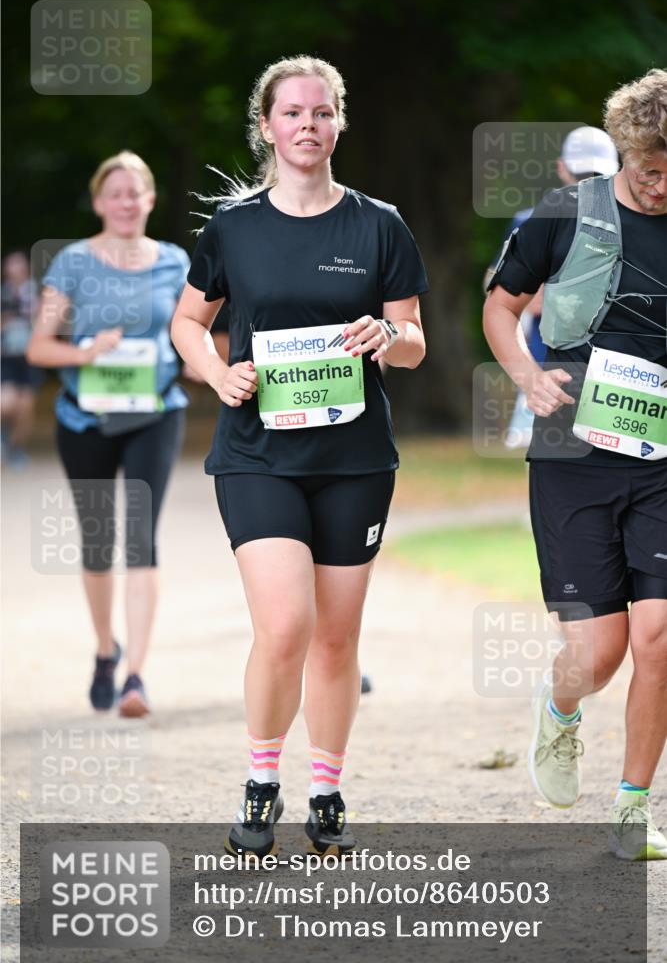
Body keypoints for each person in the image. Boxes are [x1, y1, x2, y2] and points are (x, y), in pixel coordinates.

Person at [171, 55, 428, 857]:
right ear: (267, 126)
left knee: (335, 638)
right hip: (257, 455)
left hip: (355, 459)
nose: (307, 125)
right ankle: (260, 782)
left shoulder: (379, 224)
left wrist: (388, 334)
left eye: (321, 112)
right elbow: (187, 322)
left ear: (338, 122)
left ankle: (325, 789)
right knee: (285, 625)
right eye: (291, 113)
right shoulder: (234, 227)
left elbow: (414, 340)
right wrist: (217, 371)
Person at [483, 69, 667, 860]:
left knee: (658, 639)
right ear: (623, 152)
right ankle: (560, 710)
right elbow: (499, 306)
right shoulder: (566, 213)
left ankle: (631, 810)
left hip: (661, 458)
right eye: (649, 170)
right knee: (597, 655)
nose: (661, 187)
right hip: (572, 452)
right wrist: (525, 377)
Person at [27, 151, 190, 717]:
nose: (125, 202)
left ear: (150, 199)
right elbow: (38, 347)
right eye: (114, 193)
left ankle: (136, 677)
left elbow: (191, 334)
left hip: (155, 413)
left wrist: (210, 365)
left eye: (135, 192)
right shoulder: (73, 262)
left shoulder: (175, 262)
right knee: (98, 543)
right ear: (99, 202)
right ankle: (105, 649)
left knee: (141, 537)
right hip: (85, 418)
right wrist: (84, 352)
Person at [485, 128, 620, 448]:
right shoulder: (533, 219)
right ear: (562, 168)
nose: (587, 184)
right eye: (581, 175)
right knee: (544, 447)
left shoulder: (628, 221)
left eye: (597, 175)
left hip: (610, 365)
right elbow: (493, 282)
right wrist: (535, 293)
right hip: (544, 356)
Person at [1, 251, 41, 468]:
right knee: (5, 404)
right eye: (11, 265)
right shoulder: (3, 294)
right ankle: (3, 434)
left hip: (29, 358)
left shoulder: (37, 294)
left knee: (25, 408)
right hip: (6, 357)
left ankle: (16, 449)